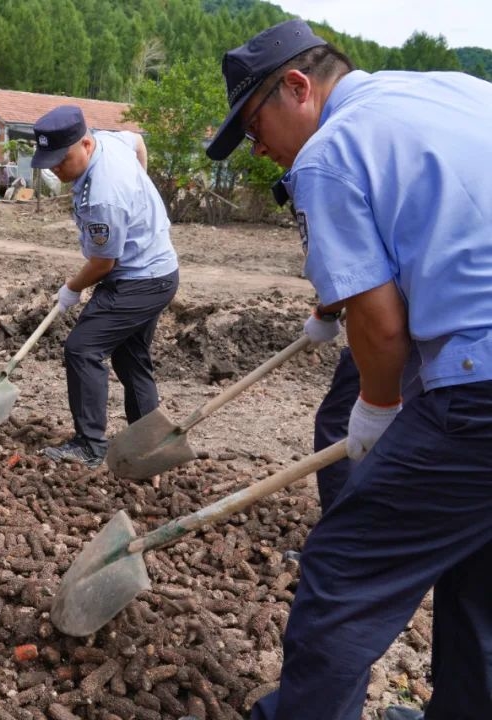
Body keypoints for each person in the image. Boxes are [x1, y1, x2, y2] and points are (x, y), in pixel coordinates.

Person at [207, 19, 492, 720]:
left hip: (479, 388)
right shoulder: (455, 91)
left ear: (297, 86)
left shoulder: (328, 153)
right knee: (481, 565)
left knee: (342, 576)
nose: (260, 149)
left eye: (255, 126)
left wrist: (377, 408)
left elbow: (384, 326)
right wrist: (329, 312)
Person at [30, 105, 179, 469]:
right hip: (159, 271)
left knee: (82, 349)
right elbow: (138, 141)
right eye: (49, 161)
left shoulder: (103, 195)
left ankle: (90, 446)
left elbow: (102, 264)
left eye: (61, 160)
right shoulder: (110, 141)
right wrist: (138, 189)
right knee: (131, 359)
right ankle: (150, 448)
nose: (55, 168)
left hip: (138, 280)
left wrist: (70, 289)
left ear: (85, 143)